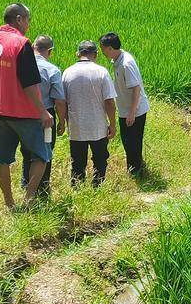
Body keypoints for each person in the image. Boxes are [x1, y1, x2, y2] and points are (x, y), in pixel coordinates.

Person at [0, 3, 53, 210]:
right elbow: (29, 83)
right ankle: (29, 199)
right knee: (41, 156)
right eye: (27, 20)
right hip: (23, 112)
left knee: (3, 159)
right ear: (19, 19)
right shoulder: (21, 43)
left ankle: (9, 204)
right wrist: (42, 111)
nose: (28, 25)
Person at [62, 41, 118, 186]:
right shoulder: (101, 72)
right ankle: (97, 187)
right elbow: (110, 102)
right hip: (98, 127)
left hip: (76, 127)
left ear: (78, 54)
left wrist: (64, 122)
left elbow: (62, 102)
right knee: (100, 160)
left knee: (77, 162)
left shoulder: (67, 73)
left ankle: (77, 188)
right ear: (96, 54)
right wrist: (112, 124)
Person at [20, 35, 67, 198]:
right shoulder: (52, 70)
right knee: (45, 152)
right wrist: (62, 122)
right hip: (46, 117)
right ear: (50, 51)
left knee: (26, 150)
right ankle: (42, 189)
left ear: (33, 47)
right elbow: (59, 101)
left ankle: (25, 185)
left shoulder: (21, 66)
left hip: (23, 114)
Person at [99, 32, 150, 178]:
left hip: (134, 110)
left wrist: (132, 112)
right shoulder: (117, 60)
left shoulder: (126, 63)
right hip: (125, 109)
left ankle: (135, 172)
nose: (102, 52)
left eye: (103, 49)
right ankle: (134, 168)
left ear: (109, 48)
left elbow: (136, 88)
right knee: (127, 141)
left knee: (133, 142)